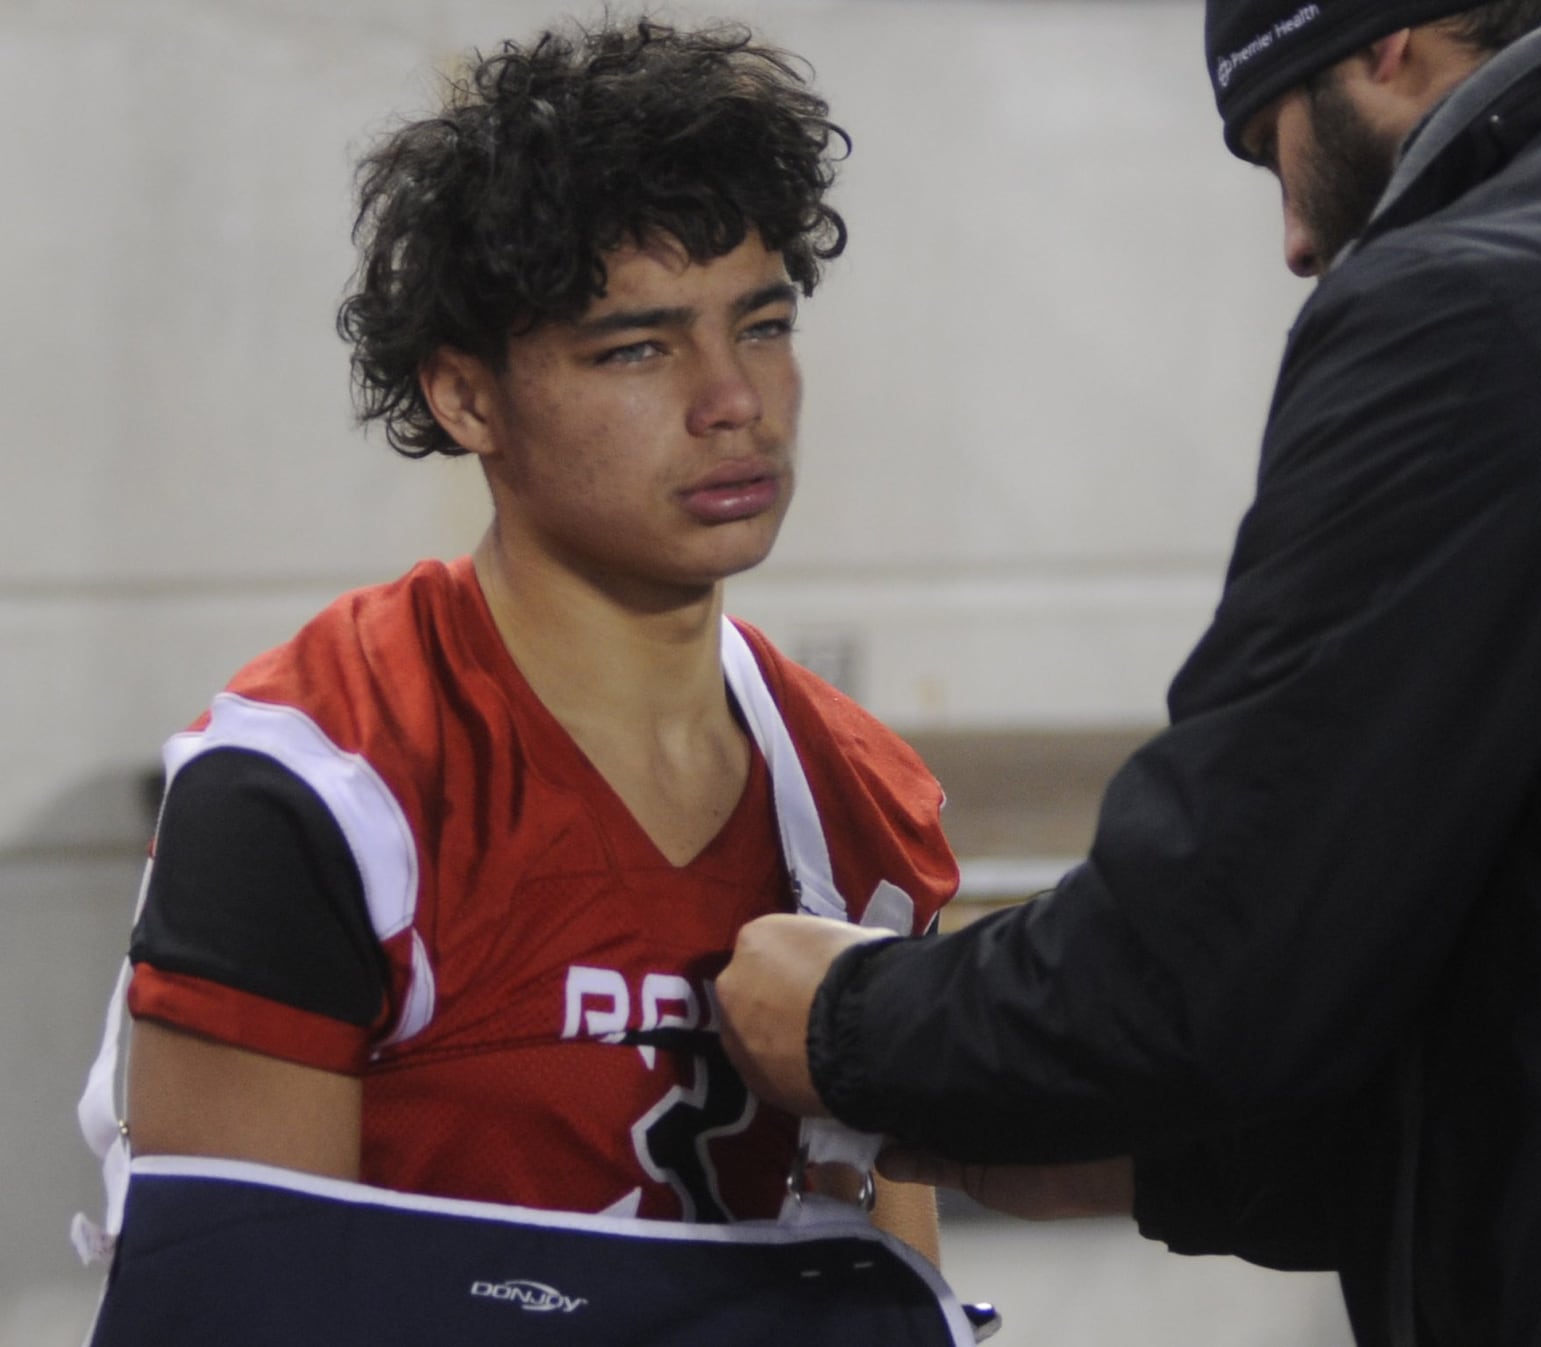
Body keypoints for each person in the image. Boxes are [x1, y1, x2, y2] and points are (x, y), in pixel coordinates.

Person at [714, 1, 1541, 1343]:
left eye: (1272, 146)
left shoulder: (1472, 307)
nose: (1300, 241)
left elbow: (1223, 943)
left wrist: (845, 1024)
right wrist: (1175, 1158)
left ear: (1382, 42)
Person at [86, 16, 957, 1273]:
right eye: (640, 348)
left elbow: (899, 1290)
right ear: (465, 395)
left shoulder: (862, 802)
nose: (733, 401)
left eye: (760, 326)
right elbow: (238, 1309)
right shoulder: (317, 787)